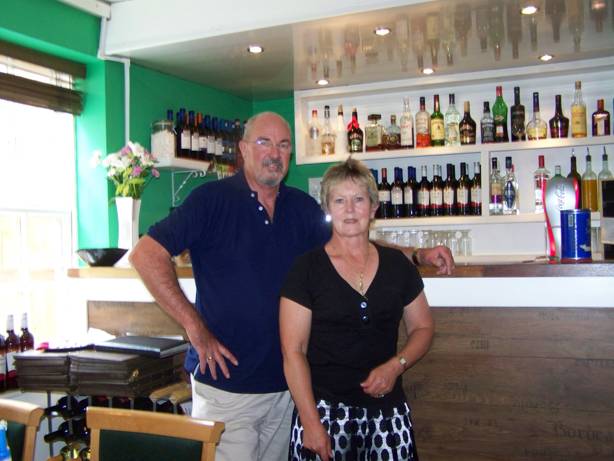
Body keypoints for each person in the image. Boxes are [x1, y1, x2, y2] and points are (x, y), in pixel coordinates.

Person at [130, 112, 451, 461]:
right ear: (243, 149)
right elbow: (145, 255)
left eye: (283, 145)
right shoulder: (210, 200)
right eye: (264, 142)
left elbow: (353, 237)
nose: (275, 153)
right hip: (227, 387)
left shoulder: (300, 208)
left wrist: (417, 254)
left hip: (287, 390)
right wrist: (194, 327)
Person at [280, 158, 434, 460]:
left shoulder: (398, 266)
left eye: (359, 199)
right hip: (324, 415)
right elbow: (292, 352)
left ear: (373, 208)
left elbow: (423, 328)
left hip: (388, 416)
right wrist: (310, 423)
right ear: (326, 208)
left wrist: (396, 365)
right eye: (339, 200)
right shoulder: (306, 269)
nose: (349, 210)